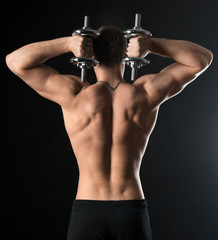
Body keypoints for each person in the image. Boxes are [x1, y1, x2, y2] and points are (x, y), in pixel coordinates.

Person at [6, 25, 213, 240]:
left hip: (87, 210)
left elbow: (15, 61)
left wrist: (67, 44)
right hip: (131, 209)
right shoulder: (146, 93)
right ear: (126, 53)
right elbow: (202, 59)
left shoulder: (74, 95)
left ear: (91, 53)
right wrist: (151, 45)